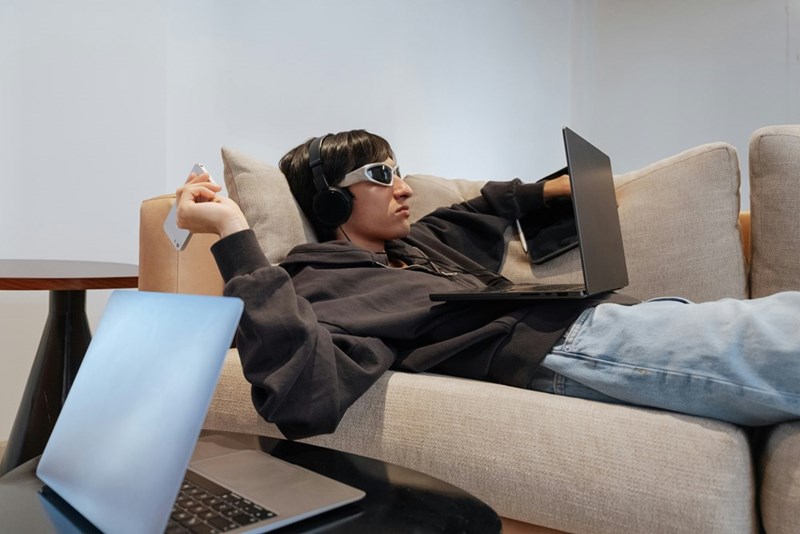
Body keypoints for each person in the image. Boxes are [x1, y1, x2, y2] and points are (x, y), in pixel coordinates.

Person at [175, 129, 800, 440]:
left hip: (620, 320)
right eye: (382, 172)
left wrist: (566, 187)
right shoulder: (315, 279)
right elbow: (303, 398)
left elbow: (490, 204)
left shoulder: (419, 242)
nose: (406, 188)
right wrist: (233, 232)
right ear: (332, 202)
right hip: (570, 345)